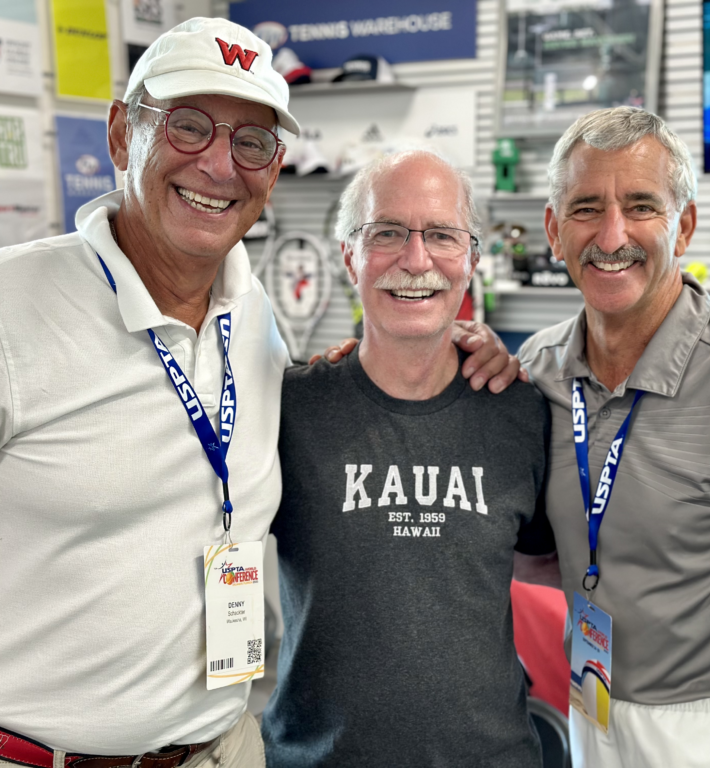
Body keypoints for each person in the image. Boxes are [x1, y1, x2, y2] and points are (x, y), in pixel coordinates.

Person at [0, 18, 515, 768]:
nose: (219, 164)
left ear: (274, 172)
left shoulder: (253, 317)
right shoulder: (14, 306)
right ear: (121, 135)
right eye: (187, 126)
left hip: (226, 746)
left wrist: (435, 347)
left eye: (252, 142)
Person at [262, 150, 555, 767]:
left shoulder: (523, 412)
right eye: (387, 233)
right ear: (349, 255)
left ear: (473, 260)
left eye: (442, 236)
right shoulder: (287, 410)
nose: (415, 260)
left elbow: (548, 563)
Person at [517, 106, 710, 767]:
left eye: (640, 206)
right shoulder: (535, 372)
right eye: (586, 208)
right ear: (553, 230)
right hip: (589, 709)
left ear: (683, 226)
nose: (612, 234)